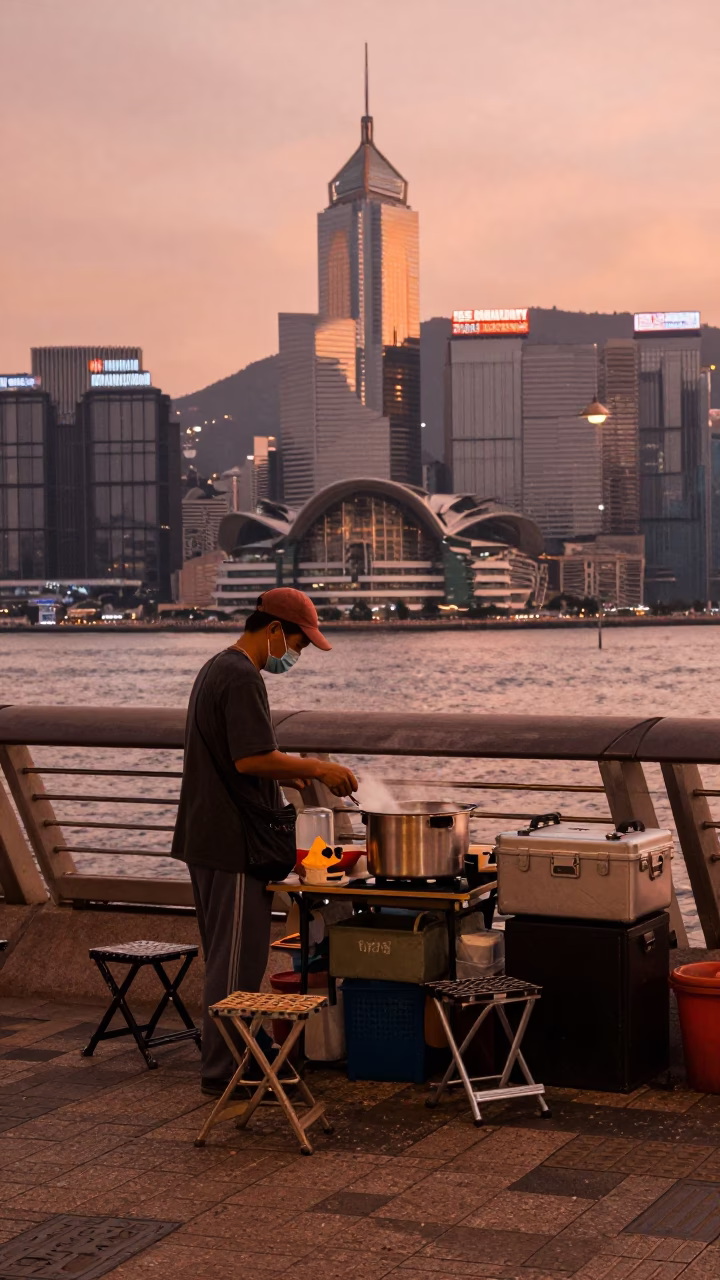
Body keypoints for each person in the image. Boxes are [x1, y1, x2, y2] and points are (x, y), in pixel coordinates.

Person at [172, 587, 358, 1096]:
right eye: (298, 641)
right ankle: (225, 1069)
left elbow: (243, 760)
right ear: (275, 629)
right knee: (237, 963)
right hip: (231, 844)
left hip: (207, 835)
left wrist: (285, 776)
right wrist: (317, 766)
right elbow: (250, 758)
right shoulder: (240, 676)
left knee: (226, 957)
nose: (296, 654)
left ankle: (241, 1054)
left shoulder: (217, 667)